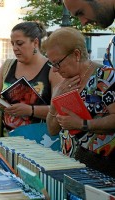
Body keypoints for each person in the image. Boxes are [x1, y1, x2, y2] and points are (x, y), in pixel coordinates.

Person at [43, 27, 115, 177]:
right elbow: (52, 130)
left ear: (76, 54)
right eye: (52, 64)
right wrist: (54, 104)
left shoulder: (106, 76)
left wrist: (83, 124)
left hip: (103, 167)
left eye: (57, 63)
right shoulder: (65, 82)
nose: (55, 70)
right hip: (71, 164)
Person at [0, 21, 62, 133]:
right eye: (12, 44)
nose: (15, 48)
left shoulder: (52, 69)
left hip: (40, 141)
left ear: (35, 42)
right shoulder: (8, 65)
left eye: (20, 43)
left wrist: (31, 110)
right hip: (6, 139)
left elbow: (60, 110)